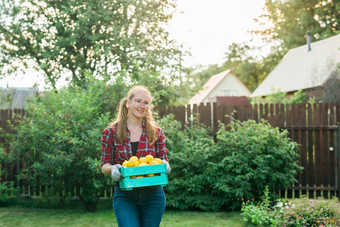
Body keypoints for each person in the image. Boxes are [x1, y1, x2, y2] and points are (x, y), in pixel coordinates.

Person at [101, 85, 171, 227]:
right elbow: (105, 164)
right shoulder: (111, 133)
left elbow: (164, 158)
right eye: (138, 101)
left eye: (146, 103)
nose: (142, 106)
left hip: (153, 195)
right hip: (125, 195)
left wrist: (166, 165)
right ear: (128, 103)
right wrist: (113, 168)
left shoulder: (156, 132)